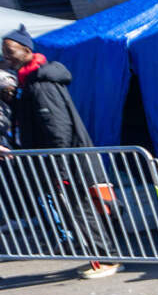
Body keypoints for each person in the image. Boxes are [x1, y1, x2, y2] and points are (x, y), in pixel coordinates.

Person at [2, 26, 119, 279]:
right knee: (76, 208)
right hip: (57, 159)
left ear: (26, 50)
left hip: (63, 160)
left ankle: (105, 258)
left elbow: (58, 128)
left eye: (10, 52)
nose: (6, 58)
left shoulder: (40, 83)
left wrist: (60, 166)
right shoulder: (29, 81)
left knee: (79, 208)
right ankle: (99, 257)